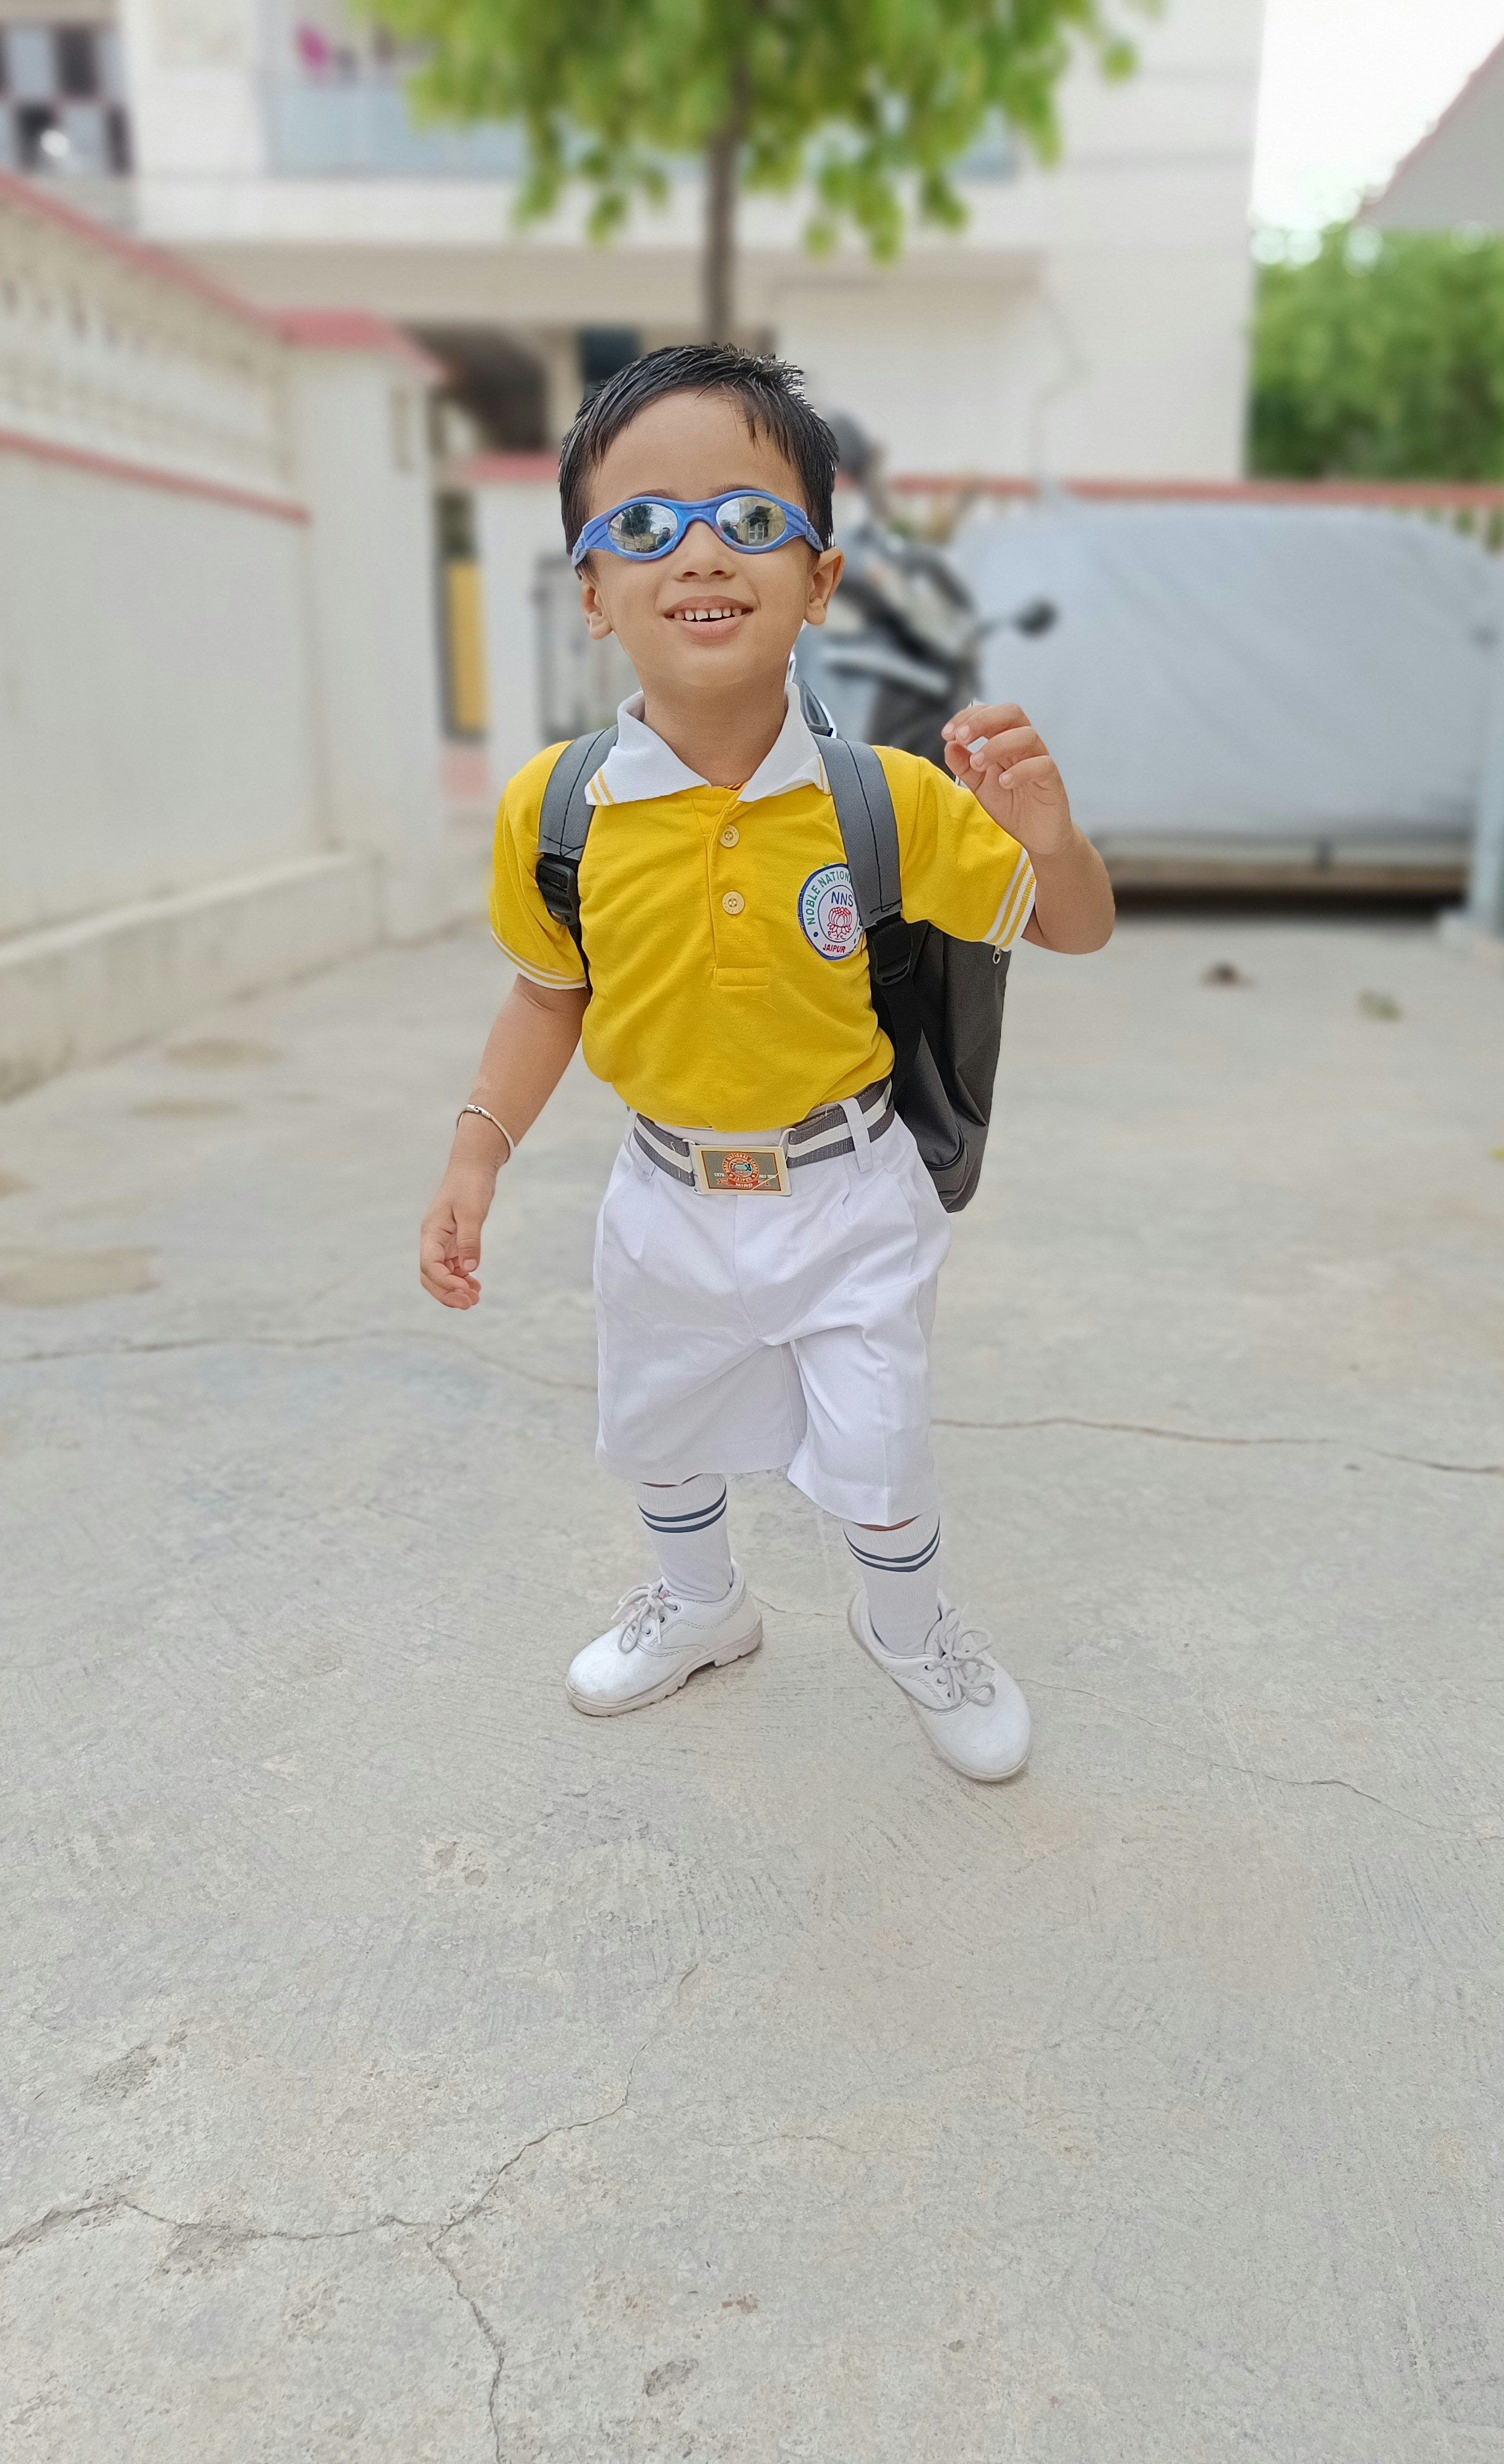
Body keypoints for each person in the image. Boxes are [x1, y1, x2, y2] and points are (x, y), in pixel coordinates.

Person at [418, 345, 1114, 1782]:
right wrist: (477, 1148)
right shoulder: (560, 810)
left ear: (820, 576)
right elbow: (548, 995)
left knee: (883, 1453)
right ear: (593, 591)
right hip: (665, 1195)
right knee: (657, 1429)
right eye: (642, 525)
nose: (697, 554)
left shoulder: (889, 800)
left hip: (850, 1194)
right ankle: (701, 1604)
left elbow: (1072, 925)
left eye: (748, 518)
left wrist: (1050, 836)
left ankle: (909, 1628)